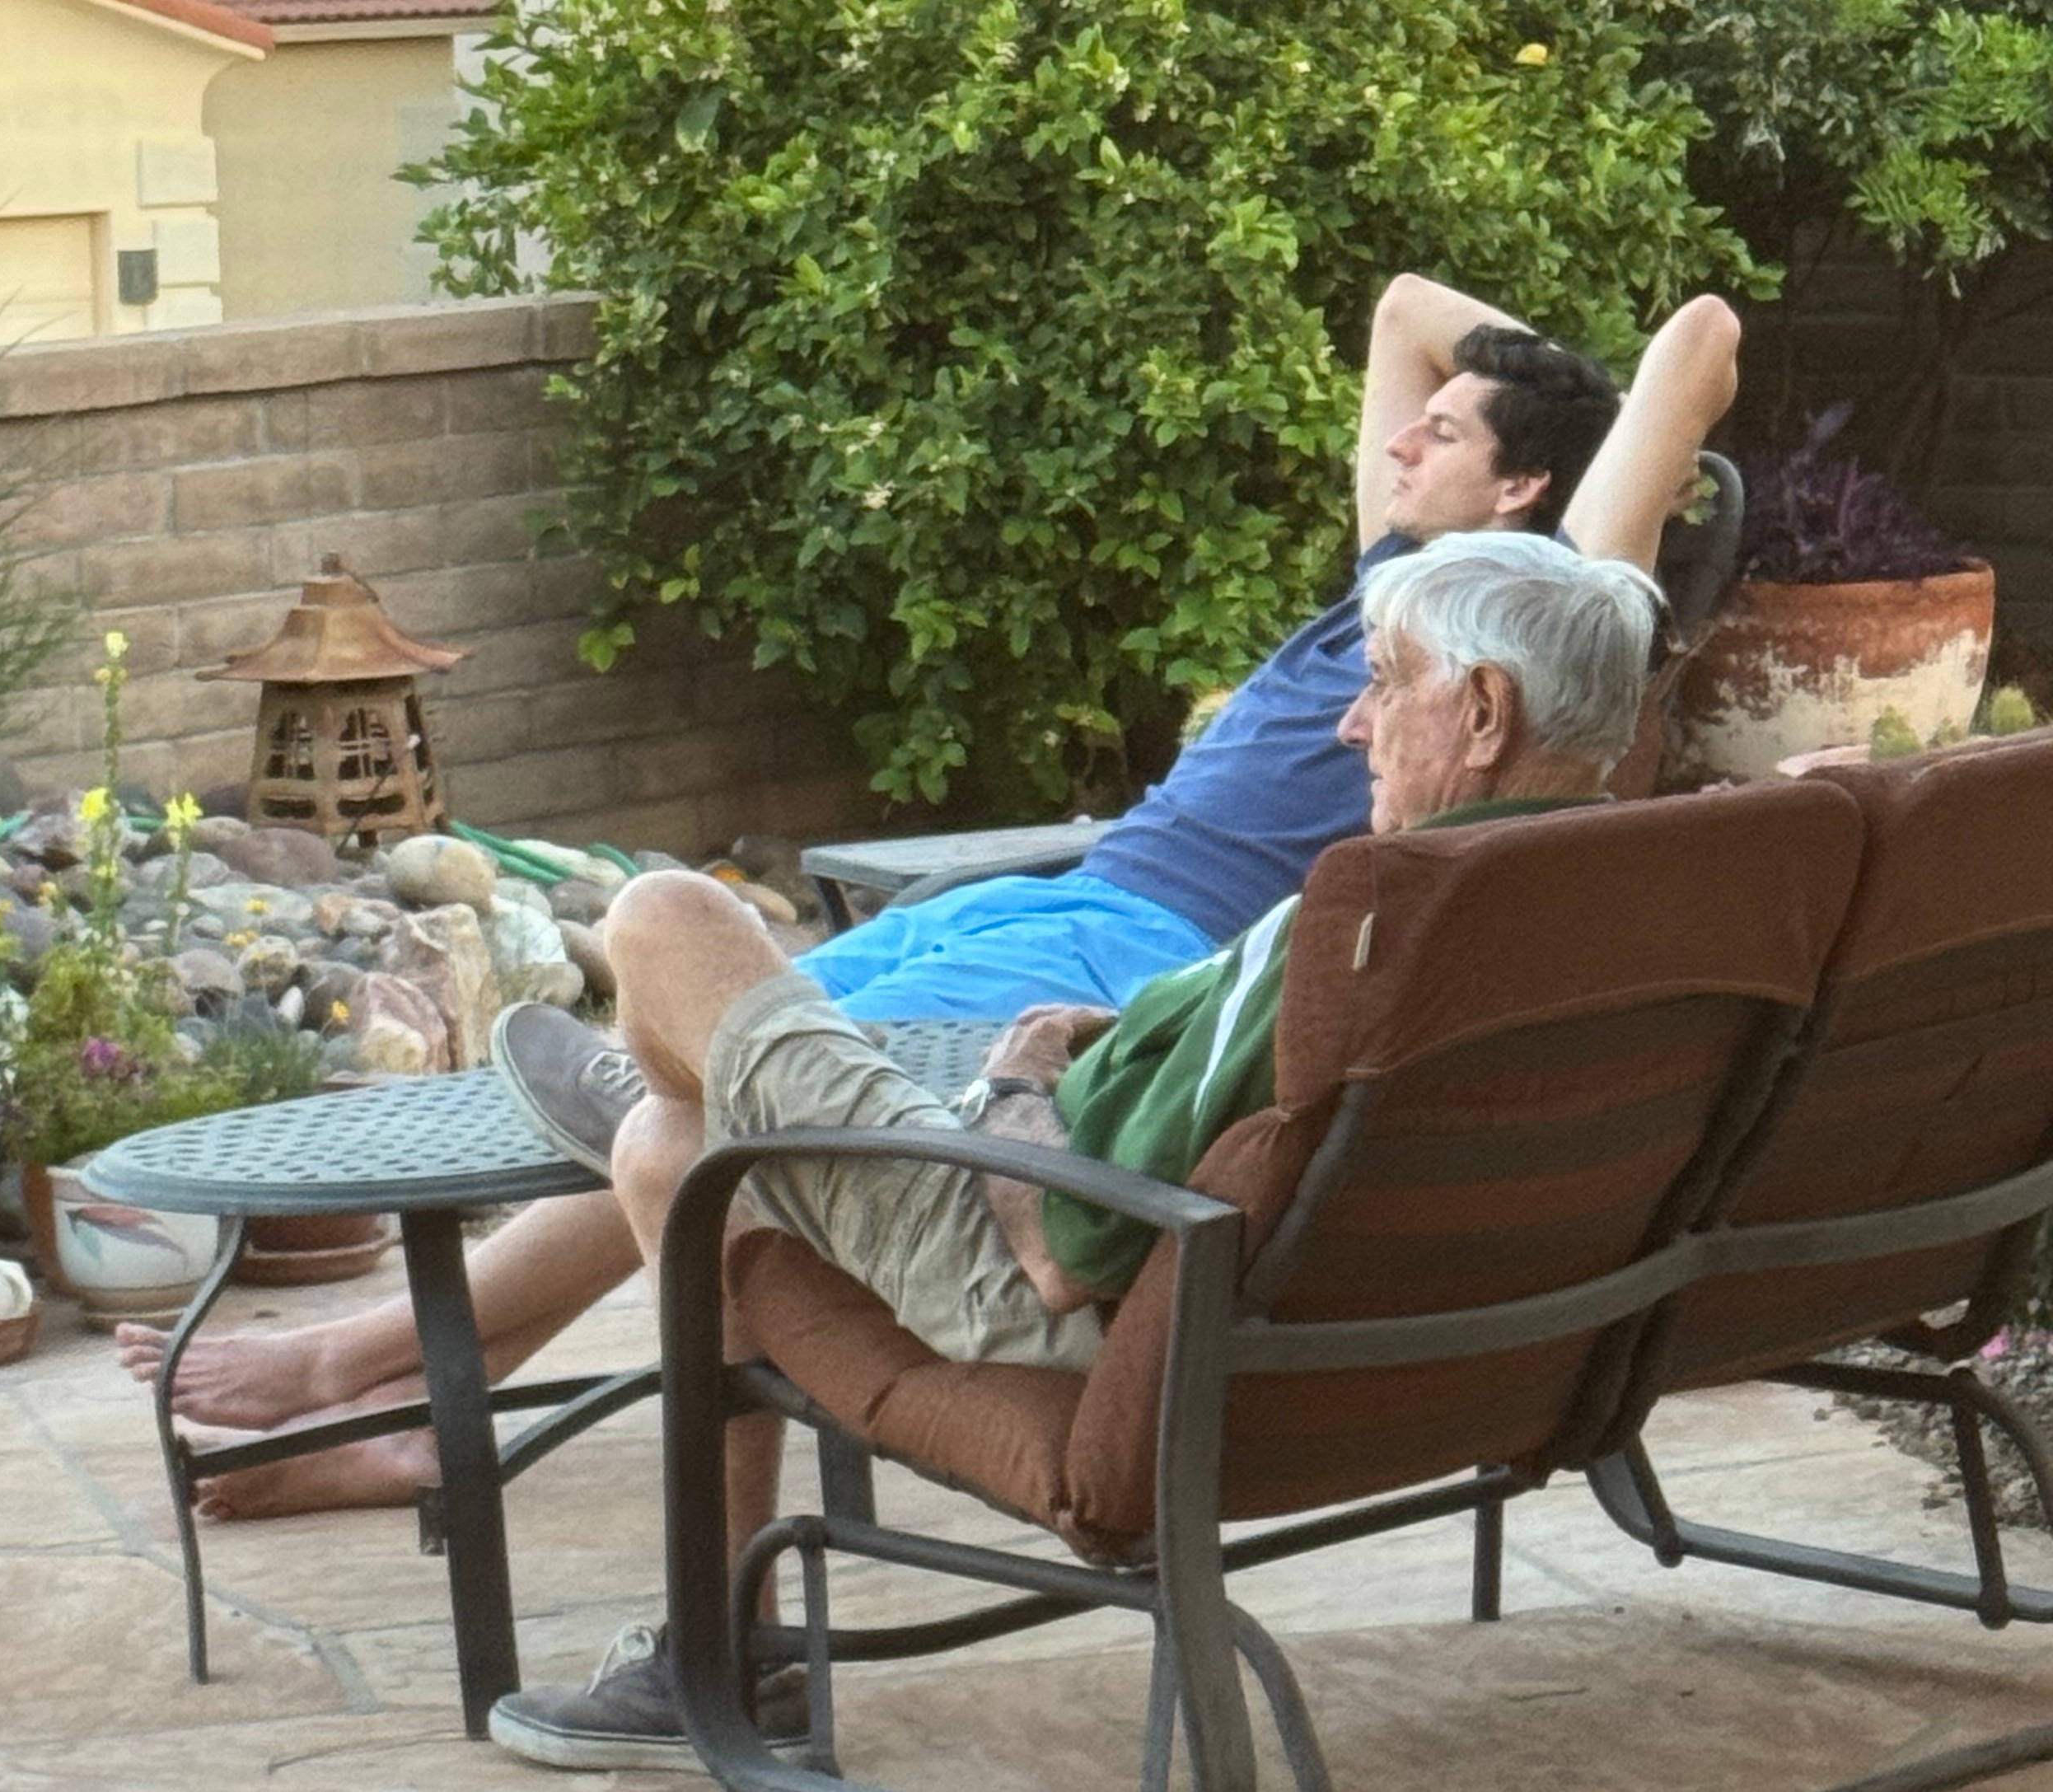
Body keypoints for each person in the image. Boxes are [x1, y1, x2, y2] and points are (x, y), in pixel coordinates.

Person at [114, 278, 1739, 1517]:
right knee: (699, 1046)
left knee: (675, 962)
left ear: (1533, 516)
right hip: (1075, 896)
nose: (1400, 439)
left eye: (1443, 436)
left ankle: (391, 1357)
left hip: (1125, 953)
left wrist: (1583, 434)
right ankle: (467, 1319)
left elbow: (1699, 346)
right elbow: (1399, 308)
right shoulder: (1411, 608)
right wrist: (1503, 392)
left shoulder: (1540, 629)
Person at [484, 528, 1667, 1773]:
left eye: (1384, 680)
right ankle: (716, 1644)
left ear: (1484, 712)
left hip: (1080, 1276)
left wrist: (1020, 1079)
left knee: (670, 922)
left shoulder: (1367, 919)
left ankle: (671, 1091)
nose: (1351, 727)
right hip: (1437, 1341)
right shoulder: (1632, 896)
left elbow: (1067, 1249)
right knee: (671, 1158)